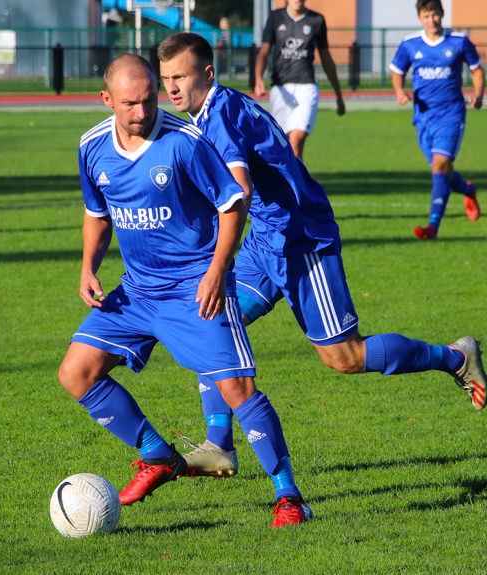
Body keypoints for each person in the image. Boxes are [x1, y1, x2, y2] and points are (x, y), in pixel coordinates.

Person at [158, 33, 487, 478]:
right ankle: (219, 444)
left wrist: (214, 256)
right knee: (212, 323)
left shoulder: (219, 116)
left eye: (180, 75)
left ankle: (456, 357)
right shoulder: (212, 109)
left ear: (207, 73)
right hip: (267, 239)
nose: (172, 87)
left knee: (344, 357)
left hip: (301, 239)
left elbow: (238, 189)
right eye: (166, 79)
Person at [57, 54, 311, 528]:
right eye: (129, 103)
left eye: (148, 100)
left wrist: (218, 270)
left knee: (237, 388)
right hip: (136, 292)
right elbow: (97, 213)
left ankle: (289, 495)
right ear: (106, 99)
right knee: (76, 373)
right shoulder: (92, 147)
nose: (141, 112)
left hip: (195, 288)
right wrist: (88, 267)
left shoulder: (184, 142)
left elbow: (233, 203)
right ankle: (157, 455)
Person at [391, 0, 484, 240]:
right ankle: (467, 190)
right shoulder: (410, 44)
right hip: (423, 118)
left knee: (439, 165)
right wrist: (400, 92)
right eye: (427, 15)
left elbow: (476, 69)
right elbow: (398, 72)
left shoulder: (459, 41)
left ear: (442, 15)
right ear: (420, 18)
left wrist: (479, 94)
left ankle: (432, 226)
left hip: (451, 114)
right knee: (441, 169)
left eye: (436, 15)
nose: (432, 20)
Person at [254, 0, 345, 159]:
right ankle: (294, 183)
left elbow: (326, 57)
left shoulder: (317, 20)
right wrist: (258, 80)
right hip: (280, 88)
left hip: (306, 86)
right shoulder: (275, 17)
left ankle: (295, 183)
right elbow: (263, 52)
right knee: (284, 147)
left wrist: (338, 94)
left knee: (295, 142)